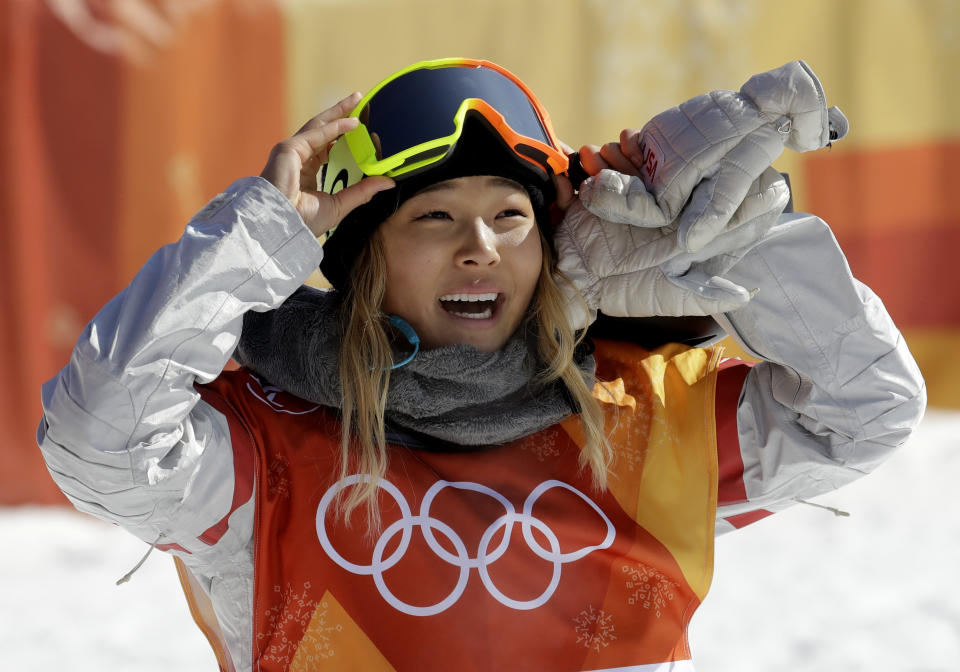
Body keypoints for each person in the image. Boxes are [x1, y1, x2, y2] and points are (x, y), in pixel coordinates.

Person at [38, 58, 925, 671]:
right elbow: (98, 439)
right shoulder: (265, 452)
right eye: (432, 218)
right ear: (364, 257)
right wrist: (256, 237)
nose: (479, 249)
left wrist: (729, 249)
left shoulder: (638, 419)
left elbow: (865, 409)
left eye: (511, 216)